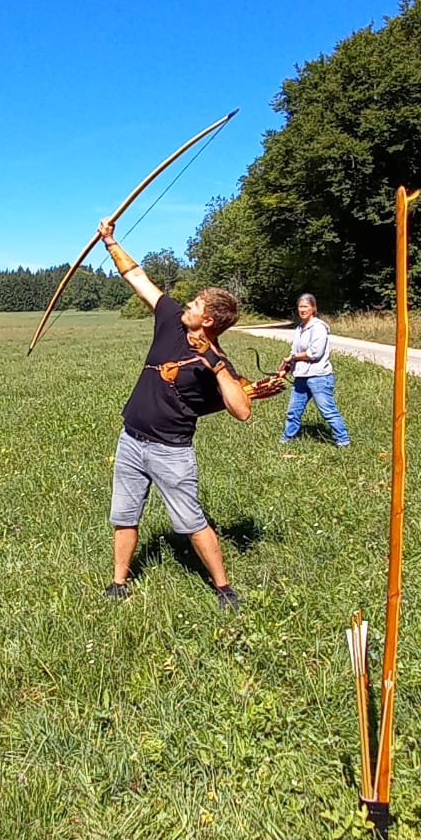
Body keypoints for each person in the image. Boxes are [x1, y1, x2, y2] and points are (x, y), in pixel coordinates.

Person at [99, 218, 251, 609]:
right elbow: (137, 277)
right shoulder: (170, 320)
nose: (188, 305)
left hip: (171, 450)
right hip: (131, 438)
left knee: (191, 521)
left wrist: (215, 365)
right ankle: (118, 583)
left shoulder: (216, 361)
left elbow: (242, 410)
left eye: (196, 304)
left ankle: (224, 588)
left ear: (209, 320)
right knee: (124, 515)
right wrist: (111, 242)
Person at [280, 293, 350, 447]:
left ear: (313, 308)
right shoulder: (300, 328)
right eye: (300, 307)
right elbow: (294, 352)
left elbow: (315, 353)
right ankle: (286, 440)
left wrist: (293, 357)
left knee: (328, 411)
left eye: (306, 306)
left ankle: (343, 441)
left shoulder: (318, 327)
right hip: (301, 377)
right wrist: (286, 368)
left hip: (319, 377)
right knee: (293, 411)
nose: (302, 310)